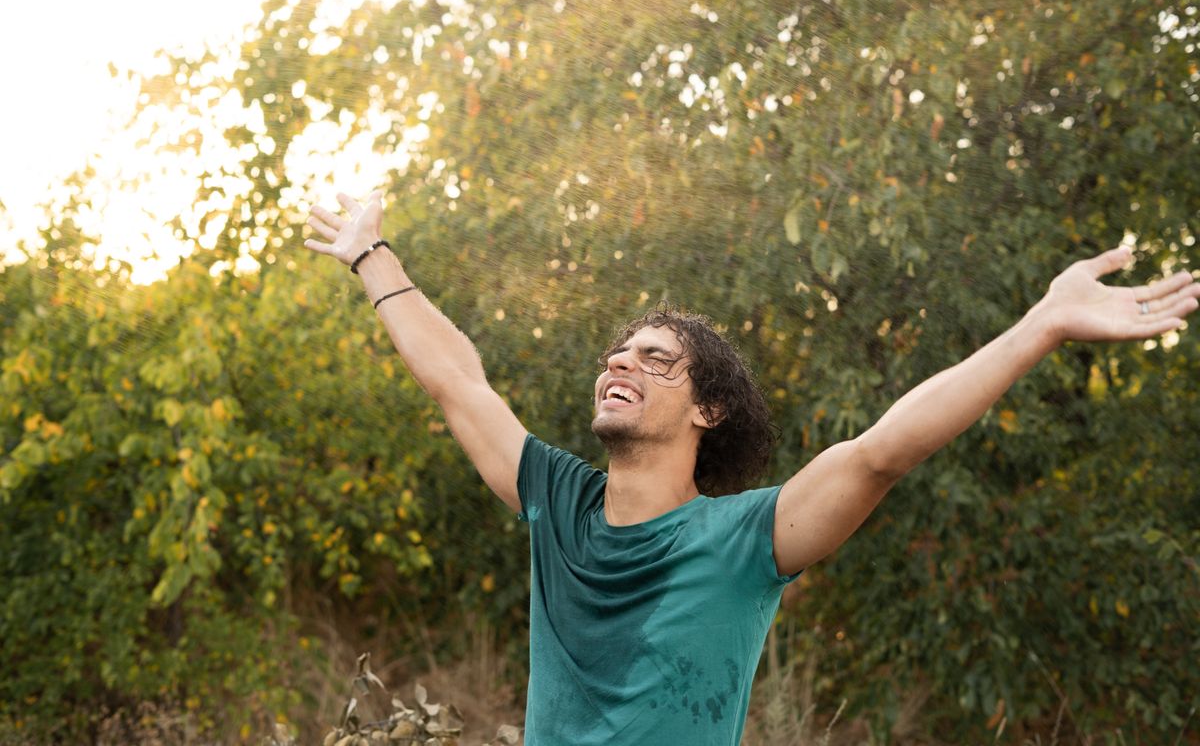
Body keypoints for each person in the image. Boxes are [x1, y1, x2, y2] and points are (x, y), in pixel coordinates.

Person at [304, 191, 1199, 745]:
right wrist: (371, 255)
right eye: (617, 353)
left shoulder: (746, 540)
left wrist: (1040, 323)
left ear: (708, 411)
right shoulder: (556, 501)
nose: (620, 364)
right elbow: (459, 379)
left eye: (656, 360)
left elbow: (885, 448)